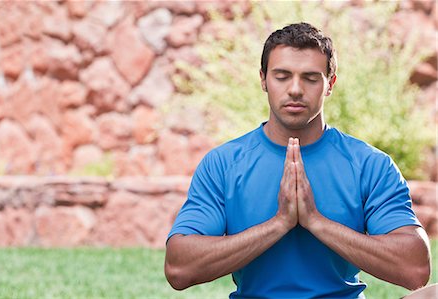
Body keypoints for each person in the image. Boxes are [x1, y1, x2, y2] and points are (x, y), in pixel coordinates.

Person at [164, 22, 431, 298]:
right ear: (263, 79)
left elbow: (415, 269)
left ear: (330, 84)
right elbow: (179, 268)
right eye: (282, 76)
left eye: (310, 78)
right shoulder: (223, 164)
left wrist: (316, 221)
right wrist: (278, 223)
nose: (295, 89)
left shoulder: (370, 165)